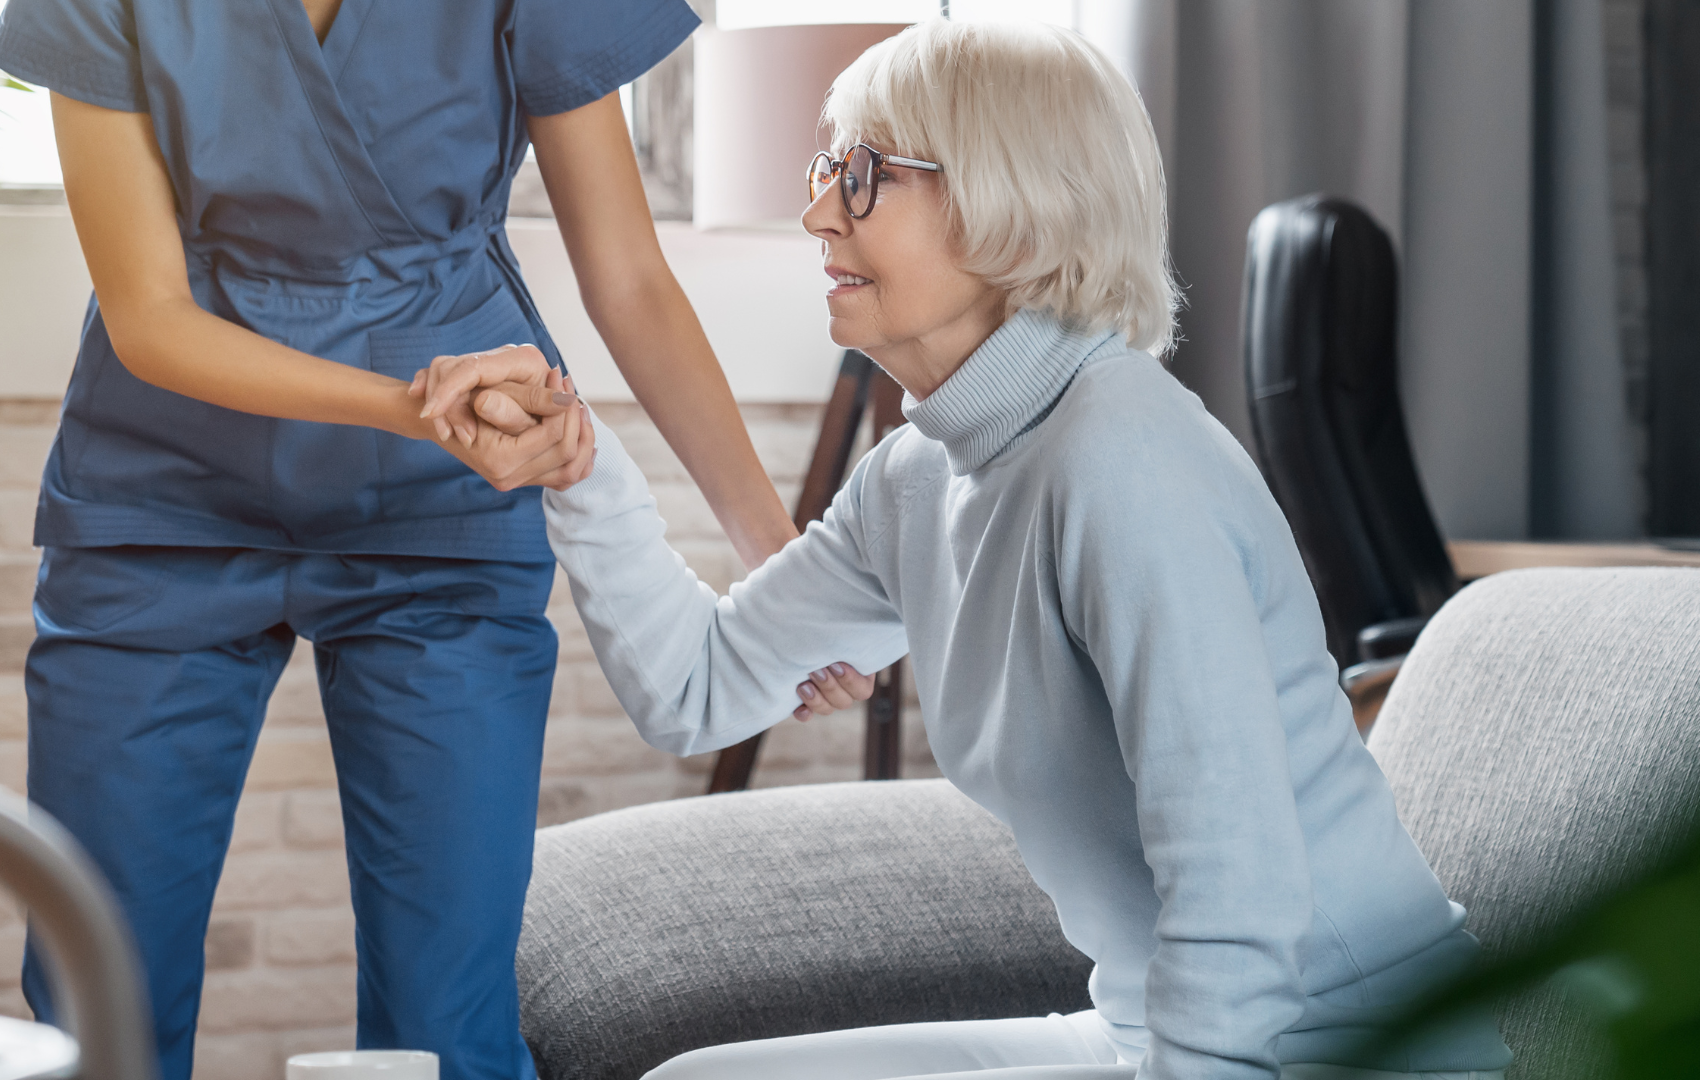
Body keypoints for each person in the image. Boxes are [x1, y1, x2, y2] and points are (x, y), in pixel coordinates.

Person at [428, 20, 1512, 1080]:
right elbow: (698, 688)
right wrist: (578, 466)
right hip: (1145, 1031)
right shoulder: (919, 476)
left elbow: (1238, 887)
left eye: (862, 175)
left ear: (1018, 210)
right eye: (824, 169)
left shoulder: (1125, 462)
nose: (814, 211)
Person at [0, 2, 859, 1077]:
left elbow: (629, 278)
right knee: (98, 995)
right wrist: (421, 410)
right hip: (168, 489)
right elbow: (147, 315)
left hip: (443, 503)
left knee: (446, 1022)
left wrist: (776, 559)